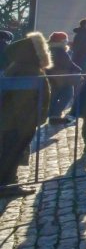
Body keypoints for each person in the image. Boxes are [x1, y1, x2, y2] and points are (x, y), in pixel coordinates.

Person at [0, 33, 51, 196]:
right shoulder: (27, 69)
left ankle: (8, 183)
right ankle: (7, 186)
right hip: (17, 122)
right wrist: (27, 123)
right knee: (12, 152)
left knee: (11, 151)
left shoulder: (20, 66)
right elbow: (21, 101)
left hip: (14, 121)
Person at [46, 32, 82, 123]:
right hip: (63, 78)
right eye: (65, 40)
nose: (66, 41)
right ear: (61, 41)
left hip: (53, 77)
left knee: (54, 97)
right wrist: (79, 69)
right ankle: (55, 116)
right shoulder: (60, 51)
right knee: (67, 95)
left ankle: (52, 116)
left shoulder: (50, 49)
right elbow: (68, 64)